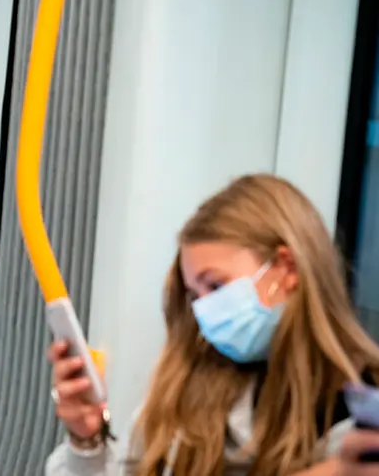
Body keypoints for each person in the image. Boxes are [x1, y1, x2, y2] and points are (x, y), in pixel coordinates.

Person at [47, 174, 379, 475]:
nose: (204, 311)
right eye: (195, 295)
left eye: (217, 287)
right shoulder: (187, 388)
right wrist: (86, 438)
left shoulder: (357, 405)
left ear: (286, 269)